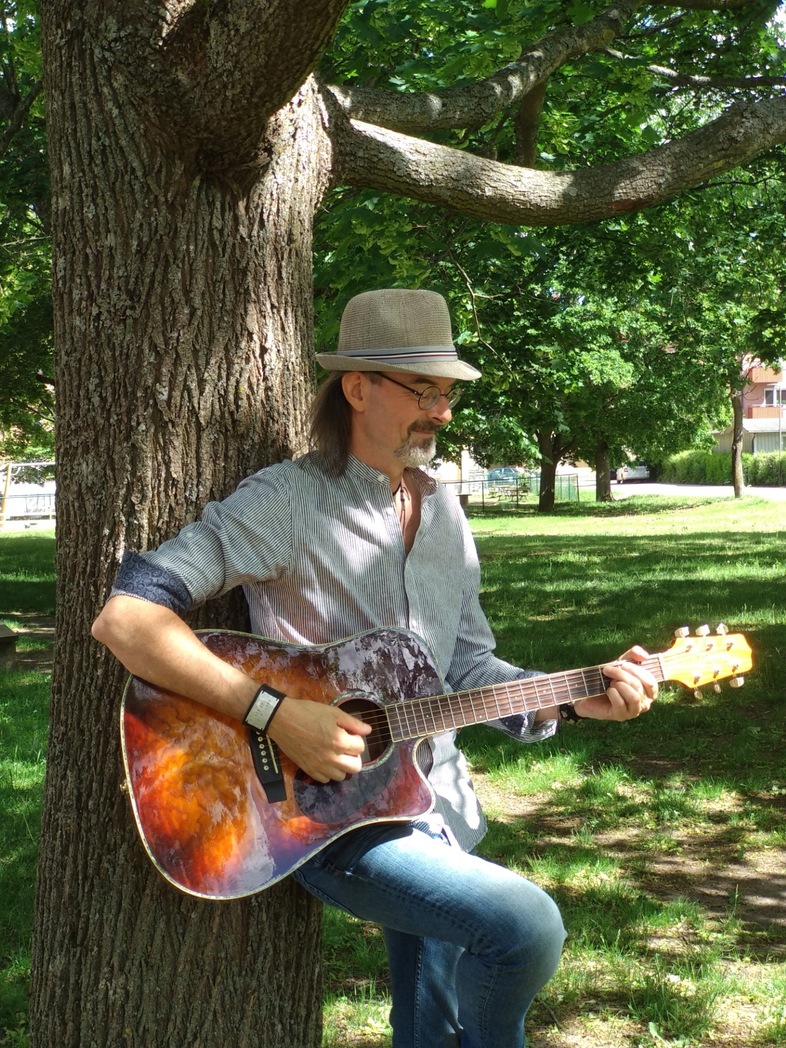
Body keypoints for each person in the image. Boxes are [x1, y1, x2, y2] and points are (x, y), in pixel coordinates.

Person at [92, 288, 658, 1048]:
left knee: (429, 1026)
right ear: (357, 388)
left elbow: (466, 664)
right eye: (425, 391)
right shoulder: (288, 500)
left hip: (436, 803)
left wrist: (578, 699)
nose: (444, 413)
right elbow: (126, 618)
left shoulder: (446, 514)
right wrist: (274, 714)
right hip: (317, 818)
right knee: (525, 926)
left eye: (448, 394)